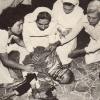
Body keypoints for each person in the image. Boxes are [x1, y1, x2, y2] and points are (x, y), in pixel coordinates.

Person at [68, 0, 100, 99]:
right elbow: (73, 33)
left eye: (94, 18)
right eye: (89, 16)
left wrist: (81, 51)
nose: (90, 20)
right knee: (89, 60)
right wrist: (58, 42)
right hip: (95, 41)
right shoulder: (84, 18)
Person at [52, 0, 84, 68]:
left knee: (66, 55)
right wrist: (61, 30)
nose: (66, 11)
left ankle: (66, 62)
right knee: (55, 52)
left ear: (74, 6)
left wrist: (69, 30)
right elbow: (53, 21)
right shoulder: (57, 5)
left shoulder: (80, 12)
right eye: (64, 8)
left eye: (69, 10)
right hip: (57, 30)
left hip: (71, 34)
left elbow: (76, 30)